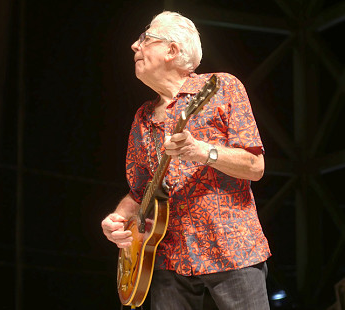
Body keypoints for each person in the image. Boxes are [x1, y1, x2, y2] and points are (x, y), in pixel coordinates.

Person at [101, 11, 271, 310]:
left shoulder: (222, 87)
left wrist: (203, 151)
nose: (133, 46)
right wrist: (118, 219)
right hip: (168, 259)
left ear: (172, 50)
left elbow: (255, 167)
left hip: (231, 248)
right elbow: (140, 191)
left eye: (145, 39)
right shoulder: (142, 118)